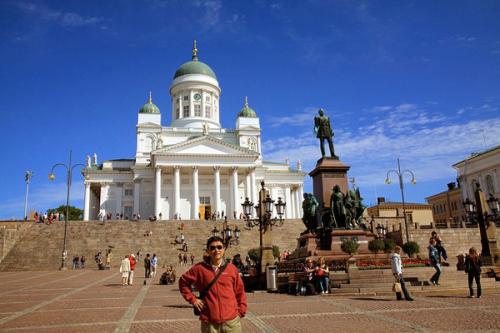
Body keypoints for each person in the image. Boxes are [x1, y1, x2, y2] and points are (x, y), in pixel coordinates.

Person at [179, 236, 247, 333]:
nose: (216, 250)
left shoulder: (231, 269)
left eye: (219, 247)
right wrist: (193, 299)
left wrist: (241, 311)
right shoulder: (199, 269)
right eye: (212, 248)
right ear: (208, 250)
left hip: (231, 322)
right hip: (209, 323)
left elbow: (240, 291)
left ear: (224, 249)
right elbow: (183, 282)